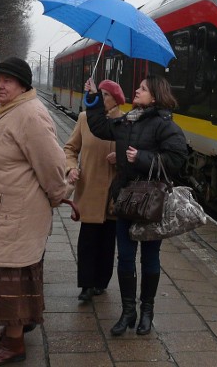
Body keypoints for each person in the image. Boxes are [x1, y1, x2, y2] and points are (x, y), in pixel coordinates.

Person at [0, 57, 76, 366]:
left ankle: (14, 342)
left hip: (13, 217)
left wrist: (58, 195)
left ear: (23, 85)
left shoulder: (30, 114)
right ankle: (16, 323)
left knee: (10, 278)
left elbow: (52, 166)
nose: (0, 85)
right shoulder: (6, 108)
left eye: (8, 80)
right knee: (1, 277)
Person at [83, 74, 187, 336]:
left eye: (142, 88)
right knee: (126, 257)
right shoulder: (128, 120)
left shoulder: (165, 125)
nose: (137, 91)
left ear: (155, 95)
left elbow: (177, 159)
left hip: (151, 203)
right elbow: (99, 127)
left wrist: (141, 157)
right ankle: (128, 311)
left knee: (150, 257)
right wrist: (94, 98)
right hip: (127, 200)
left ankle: (147, 311)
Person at [63, 79, 125, 304]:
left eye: (106, 95)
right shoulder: (84, 119)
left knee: (108, 241)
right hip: (89, 189)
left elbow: (134, 153)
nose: (102, 98)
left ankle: (101, 282)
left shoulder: (124, 123)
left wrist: (121, 158)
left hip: (113, 193)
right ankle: (86, 285)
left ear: (116, 100)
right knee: (87, 240)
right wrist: (71, 168)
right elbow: (70, 148)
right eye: (101, 94)